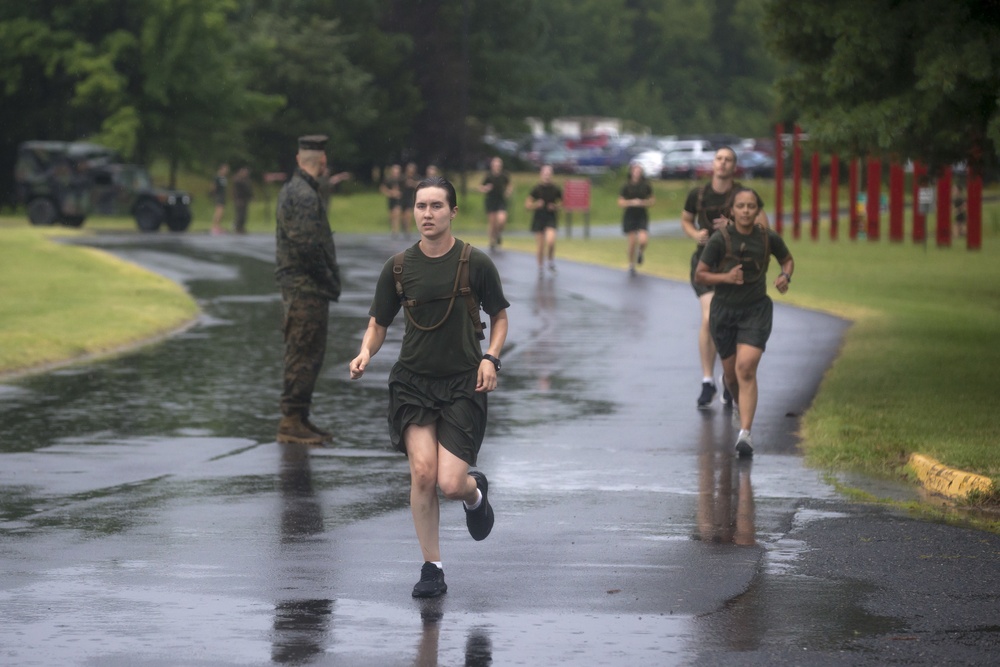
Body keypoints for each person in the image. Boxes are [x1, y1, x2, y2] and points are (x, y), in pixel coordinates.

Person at [349, 176, 510, 598]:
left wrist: (490, 358)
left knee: (451, 484)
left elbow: (500, 317)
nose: (427, 214)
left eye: (436, 206)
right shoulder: (398, 267)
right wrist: (366, 352)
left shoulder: (475, 263)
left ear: (453, 212)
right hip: (413, 383)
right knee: (422, 472)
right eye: (421, 206)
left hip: (462, 383)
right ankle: (432, 567)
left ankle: (476, 496)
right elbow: (378, 324)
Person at [694, 187, 794, 457]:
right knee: (730, 376)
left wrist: (785, 276)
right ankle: (739, 405)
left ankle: (745, 434)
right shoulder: (720, 240)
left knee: (746, 368)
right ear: (732, 211)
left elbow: (787, 259)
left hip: (755, 310)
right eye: (741, 206)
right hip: (724, 312)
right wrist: (725, 278)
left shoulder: (766, 238)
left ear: (758, 210)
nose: (747, 211)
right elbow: (700, 275)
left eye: (752, 206)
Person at [681, 147, 768, 408]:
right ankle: (707, 380)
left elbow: (764, 228)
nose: (722, 163)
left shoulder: (743, 195)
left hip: (734, 267)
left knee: (729, 322)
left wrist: (734, 227)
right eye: (719, 159)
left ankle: (728, 376)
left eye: (728, 160)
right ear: (713, 163)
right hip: (706, 265)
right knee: (709, 317)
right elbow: (686, 220)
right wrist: (694, 234)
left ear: (734, 166)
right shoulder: (698, 194)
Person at [274, 135, 342, 446]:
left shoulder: (301, 190)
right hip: (305, 288)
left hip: (307, 287)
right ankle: (291, 420)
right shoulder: (302, 194)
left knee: (309, 352)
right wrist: (328, 278)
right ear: (321, 164)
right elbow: (307, 247)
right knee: (303, 351)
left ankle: (299, 416)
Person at [617, 162, 655, 275]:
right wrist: (631, 202)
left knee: (643, 240)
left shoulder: (646, 185)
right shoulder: (626, 185)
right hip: (630, 215)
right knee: (632, 241)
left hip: (642, 214)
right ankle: (631, 264)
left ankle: (640, 252)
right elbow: (620, 202)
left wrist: (643, 202)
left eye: (639, 171)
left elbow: (652, 201)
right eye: (635, 170)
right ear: (631, 172)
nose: (637, 173)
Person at [525, 164, 562, 275]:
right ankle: (540, 267)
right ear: (541, 175)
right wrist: (536, 205)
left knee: (551, 240)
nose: (547, 176)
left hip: (550, 217)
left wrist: (555, 206)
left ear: (552, 175)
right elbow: (527, 204)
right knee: (540, 245)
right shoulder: (537, 189)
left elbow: (562, 202)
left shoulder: (556, 189)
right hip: (539, 218)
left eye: (549, 174)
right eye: (545, 173)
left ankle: (550, 261)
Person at [478, 156, 513, 250]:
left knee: (502, 220)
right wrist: (486, 188)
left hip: (501, 200)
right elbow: (481, 187)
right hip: (491, 200)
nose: (497, 166)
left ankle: (498, 234)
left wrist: (508, 191)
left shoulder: (504, 175)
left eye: (499, 165)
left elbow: (509, 185)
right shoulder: (488, 176)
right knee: (492, 222)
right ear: (492, 166)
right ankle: (492, 240)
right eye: (495, 165)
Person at [380, 163, 404, 236]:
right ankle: (393, 228)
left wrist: (400, 193)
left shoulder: (402, 179)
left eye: (397, 172)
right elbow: (382, 188)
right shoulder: (388, 179)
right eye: (394, 172)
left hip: (399, 200)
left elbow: (405, 189)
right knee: (391, 215)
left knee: (397, 213)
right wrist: (390, 193)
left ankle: (396, 230)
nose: (396, 173)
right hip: (391, 200)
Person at [231, 167, 253, 234]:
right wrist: (237, 199)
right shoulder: (238, 180)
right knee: (239, 214)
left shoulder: (246, 180)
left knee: (244, 214)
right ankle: (237, 227)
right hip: (239, 199)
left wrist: (251, 196)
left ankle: (241, 227)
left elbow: (248, 190)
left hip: (245, 199)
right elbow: (235, 191)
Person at [400, 162, 420, 236]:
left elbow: (420, 184)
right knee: (402, 216)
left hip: (410, 198)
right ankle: (404, 227)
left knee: (408, 214)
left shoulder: (416, 178)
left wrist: (413, 183)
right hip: (402, 199)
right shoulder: (402, 178)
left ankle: (408, 231)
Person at [211, 163, 230, 235]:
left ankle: (218, 226)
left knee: (221, 212)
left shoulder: (224, 178)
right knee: (218, 212)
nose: (226, 171)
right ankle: (214, 226)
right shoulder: (217, 177)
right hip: (218, 196)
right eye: (225, 169)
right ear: (221, 169)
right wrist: (213, 194)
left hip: (223, 196)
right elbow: (213, 187)